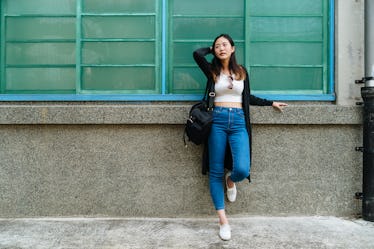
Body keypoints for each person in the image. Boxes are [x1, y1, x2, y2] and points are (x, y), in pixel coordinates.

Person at [193, 34, 288, 241]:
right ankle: (223, 221)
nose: (221, 48)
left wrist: (270, 103)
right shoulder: (212, 71)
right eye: (218, 46)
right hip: (216, 121)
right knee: (215, 171)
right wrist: (211, 49)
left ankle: (231, 180)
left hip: (238, 121)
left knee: (242, 169)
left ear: (233, 48)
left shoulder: (241, 71)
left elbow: (248, 97)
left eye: (225, 45)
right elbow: (197, 54)